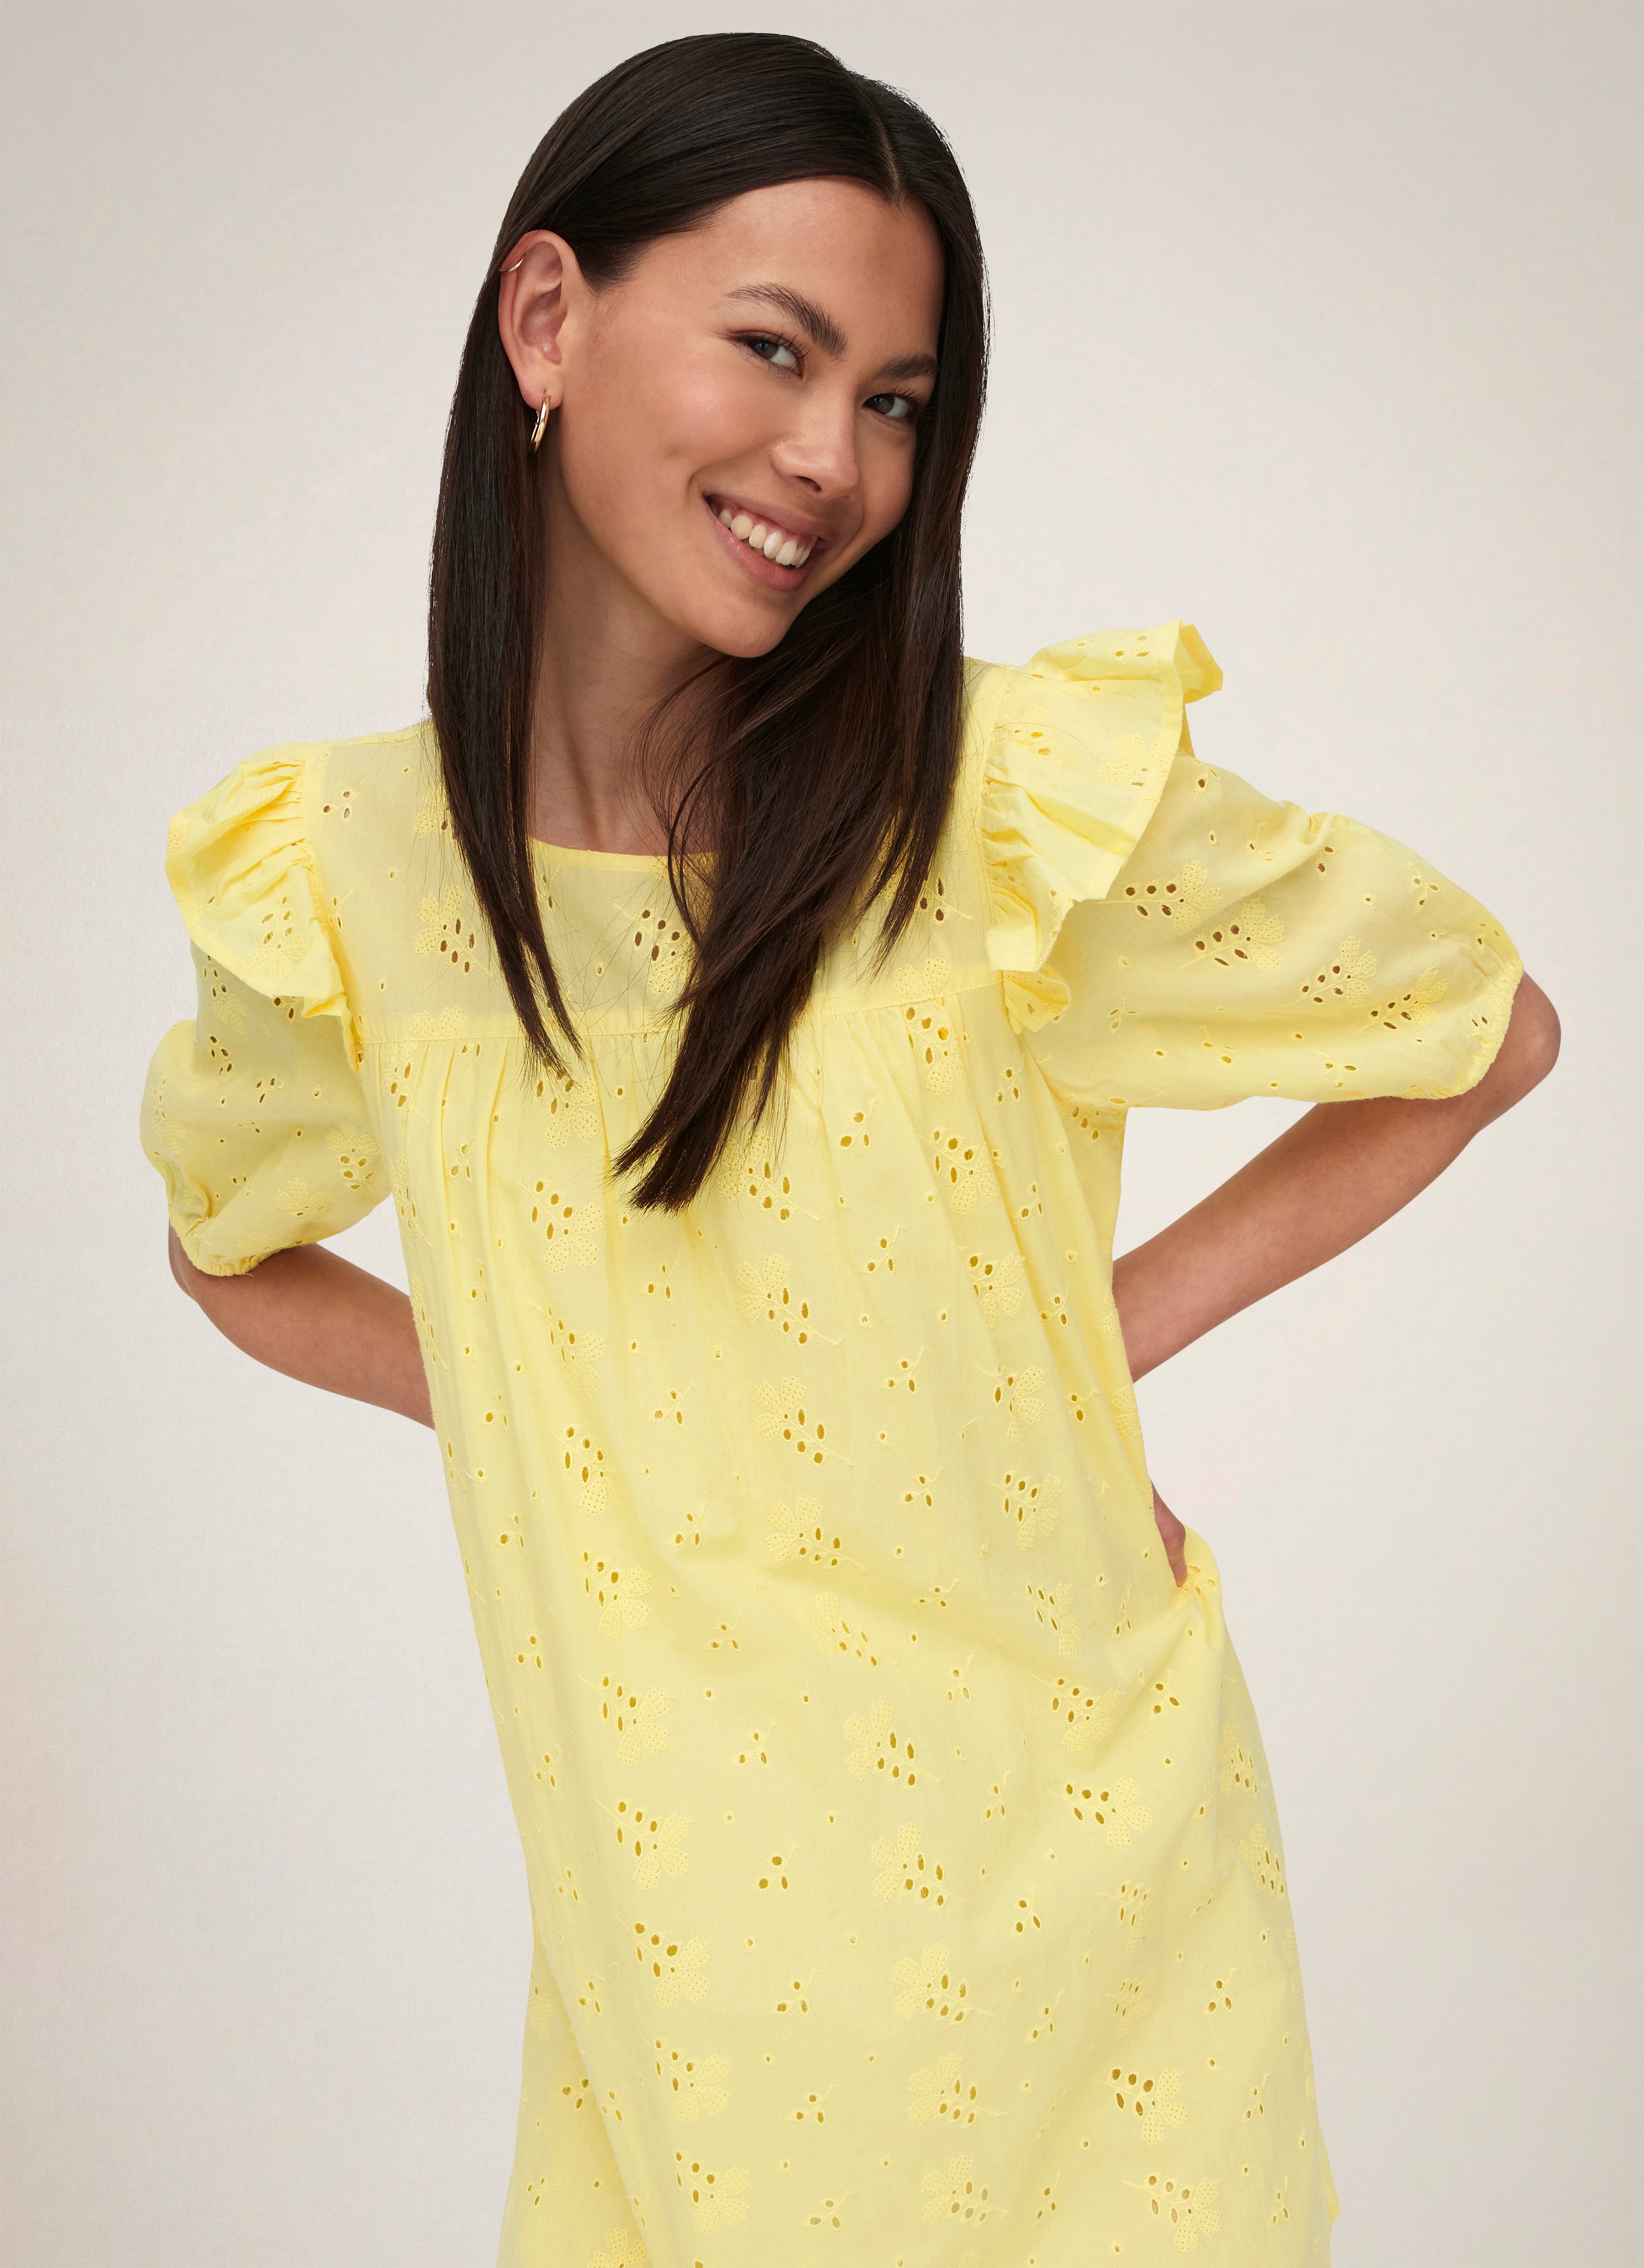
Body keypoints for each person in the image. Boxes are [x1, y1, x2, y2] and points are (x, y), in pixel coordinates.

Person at [140, 31, 1558, 2266]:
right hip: (675, 1965)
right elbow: (225, 1241)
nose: (833, 458)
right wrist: (546, 1396)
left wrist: (1078, 1355)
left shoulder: (991, 811)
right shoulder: (350, 879)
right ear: (547, 319)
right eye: (777, 350)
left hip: (1085, 1906)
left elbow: (1477, 1029)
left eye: (898, 399)